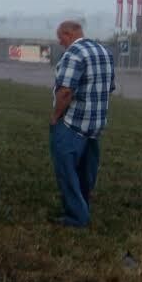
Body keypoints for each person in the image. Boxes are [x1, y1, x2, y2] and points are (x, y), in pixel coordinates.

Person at [49, 21, 115, 227]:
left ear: (68, 34)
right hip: (95, 125)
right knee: (86, 172)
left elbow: (66, 91)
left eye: (61, 38)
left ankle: (77, 218)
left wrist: (55, 116)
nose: (60, 43)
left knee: (66, 171)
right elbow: (110, 87)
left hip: (72, 124)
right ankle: (82, 205)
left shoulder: (73, 54)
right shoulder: (104, 52)